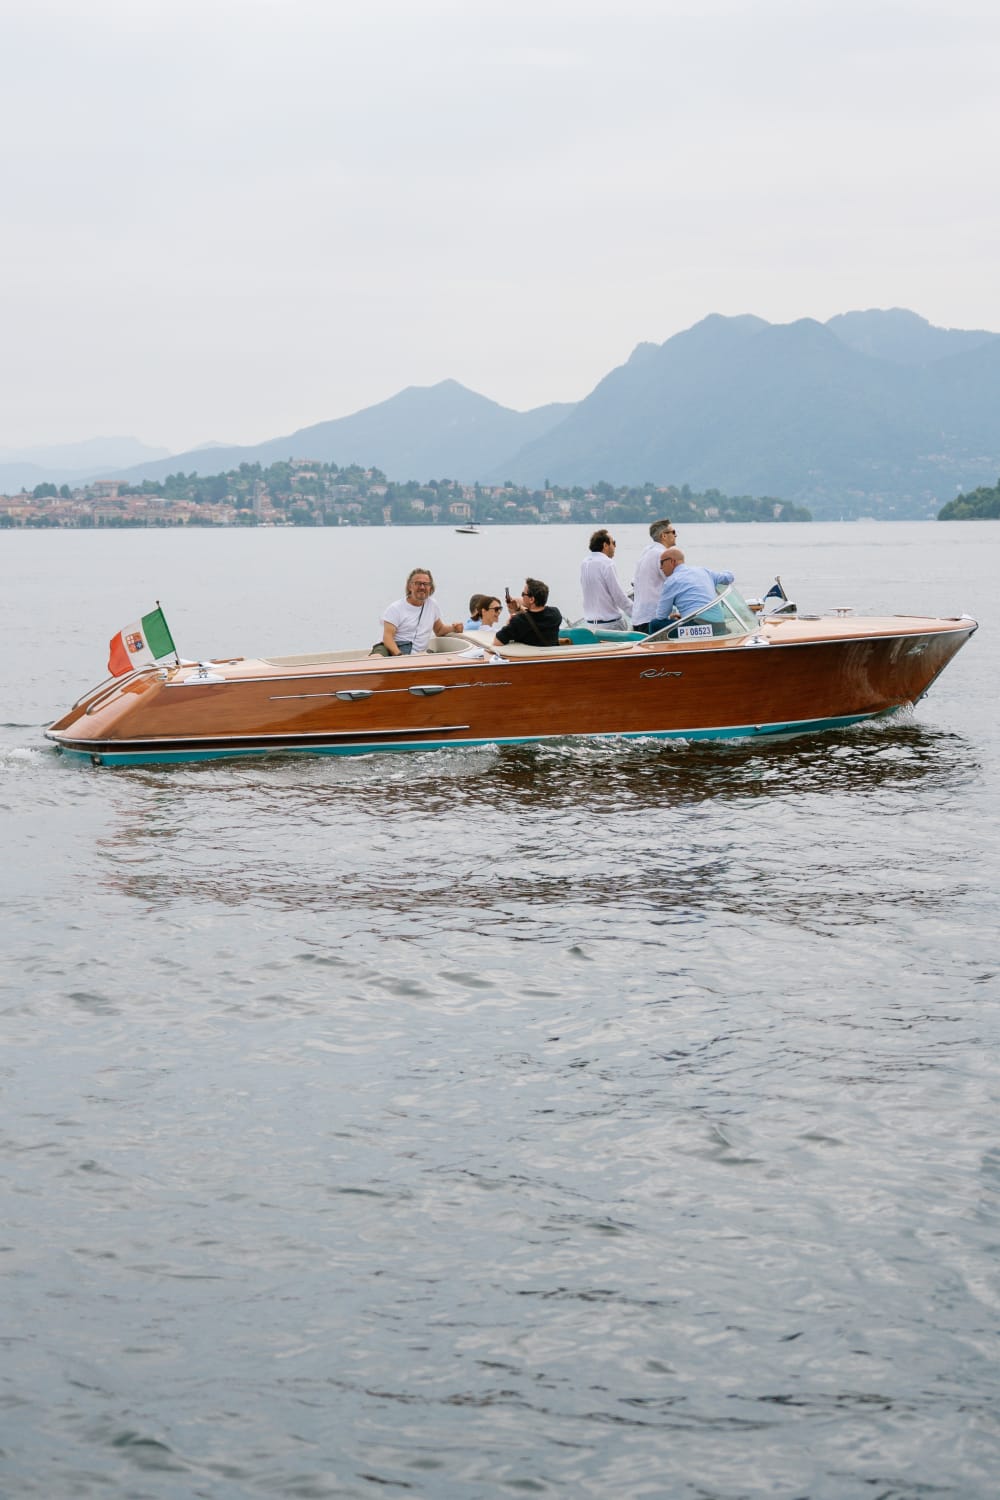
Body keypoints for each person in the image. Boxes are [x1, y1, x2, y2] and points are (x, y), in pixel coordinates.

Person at [647, 548, 735, 634]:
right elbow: (729, 577)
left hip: (699, 627)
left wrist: (670, 618)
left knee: (655, 624)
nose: (660, 567)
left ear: (672, 561)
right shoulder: (704, 571)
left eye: (662, 563)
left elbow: (661, 616)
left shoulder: (671, 581)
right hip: (719, 625)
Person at [378, 567, 463, 655]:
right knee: (376, 657)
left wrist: (454, 628)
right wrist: (400, 657)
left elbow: (439, 629)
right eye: (418, 583)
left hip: (418, 656)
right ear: (410, 586)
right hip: (393, 651)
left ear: (430, 587)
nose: (422, 587)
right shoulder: (395, 608)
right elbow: (387, 637)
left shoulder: (432, 605)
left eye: (426, 584)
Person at [630, 518, 677, 632]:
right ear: (663, 536)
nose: (676, 535)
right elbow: (675, 583)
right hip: (652, 620)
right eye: (673, 532)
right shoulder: (662, 554)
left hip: (639, 618)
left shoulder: (646, 552)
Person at [580, 528, 632, 631]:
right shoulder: (607, 563)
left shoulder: (584, 563)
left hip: (591, 625)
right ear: (605, 545)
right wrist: (636, 613)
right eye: (613, 543)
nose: (615, 547)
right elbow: (618, 595)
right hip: (610, 625)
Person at [494, 578, 562, 647]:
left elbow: (497, 642)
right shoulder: (555, 613)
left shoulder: (518, 621)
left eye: (523, 594)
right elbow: (535, 615)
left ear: (531, 599)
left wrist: (508, 624)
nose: (522, 596)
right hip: (551, 656)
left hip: (530, 657)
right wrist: (518, 608)